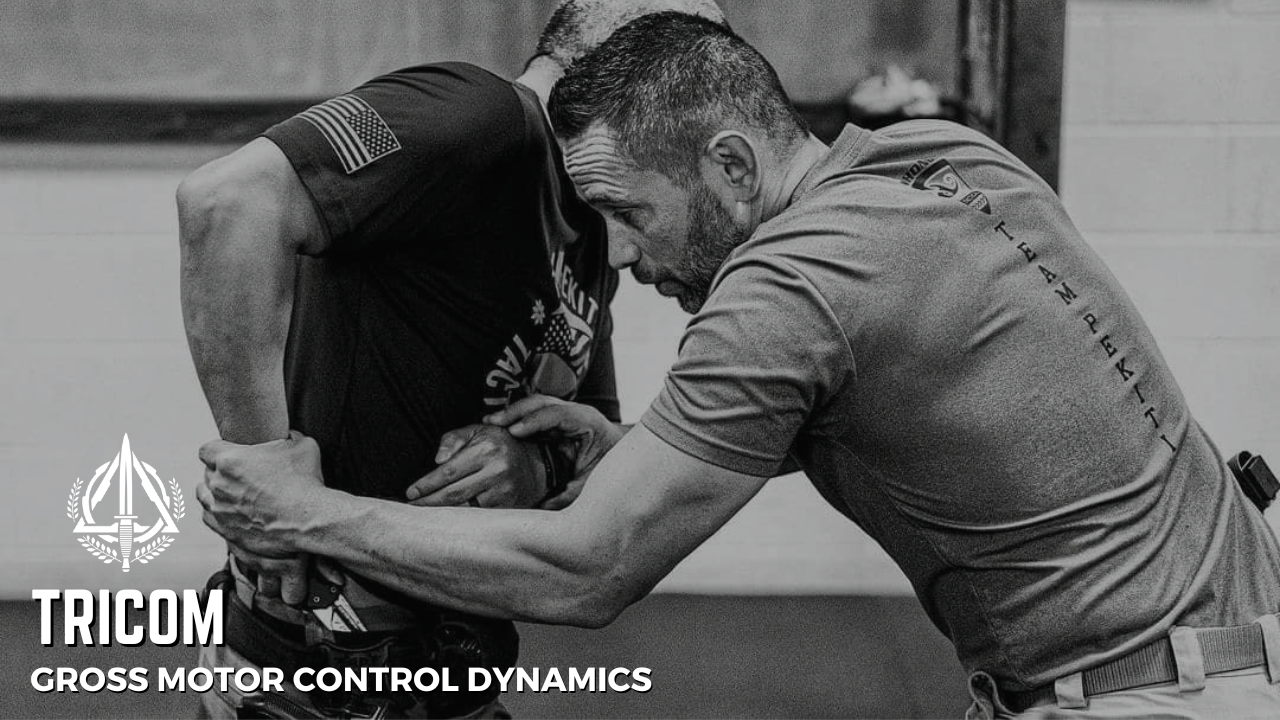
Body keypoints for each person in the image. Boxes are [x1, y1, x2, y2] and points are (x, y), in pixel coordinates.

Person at [196, 13, 1280, 719]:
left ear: (729, 162)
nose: (622, 255)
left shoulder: (785, 289)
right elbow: (922, 391)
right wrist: (632, 448)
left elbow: (587, 569)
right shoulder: (944, 160)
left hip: (1147, 698)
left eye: (629, 213)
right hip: (1243, 644)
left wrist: (300, 512)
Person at [178, 3, 726, 717]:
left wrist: (534, 464)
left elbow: (591, 444)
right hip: (316, 672)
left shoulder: (593, 229)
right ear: (615, 70)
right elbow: (225, 201)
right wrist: (263, 470)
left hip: (451, 672)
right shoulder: (481, 117)